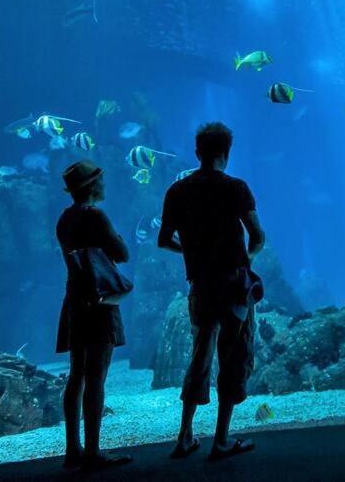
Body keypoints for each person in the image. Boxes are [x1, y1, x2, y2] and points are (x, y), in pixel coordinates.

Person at [158, 122, 265, 461]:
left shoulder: (178, 191)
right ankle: (220, 440)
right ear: (226, 153)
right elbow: (257, 236)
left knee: (200, 355)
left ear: (197, 152)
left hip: (200, 283)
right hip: (234, 283)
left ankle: (185, 436)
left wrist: (191, 252)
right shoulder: (236, 187)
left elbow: (163, 240)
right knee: (233, 355)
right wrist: (243, 260)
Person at [55, 160, 133, 470]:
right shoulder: (95, 215)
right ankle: (93, 452)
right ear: (92, 186)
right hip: (99, 302)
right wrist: (120, 239)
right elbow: (122, 254)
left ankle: (72, 449)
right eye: (100, 180)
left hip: (75, 299)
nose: (104, 184)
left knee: (76, 375)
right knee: (96, 376)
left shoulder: (64, 219)